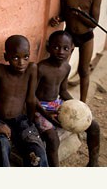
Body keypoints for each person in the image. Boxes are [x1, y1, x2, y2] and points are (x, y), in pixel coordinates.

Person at [0, 35, 48, 167]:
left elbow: (31, 99)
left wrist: (31, 123)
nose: (21, 63)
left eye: (26, 57)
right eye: (15, 58)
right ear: (6, 57)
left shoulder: (32, 69)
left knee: (37, 152)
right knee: (0, 148)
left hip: (21, 120)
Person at [35, 30, 100, 166]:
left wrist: (78, 106)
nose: (61, 52)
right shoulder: (41, 68)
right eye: (56, 47)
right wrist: (46, 115)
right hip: (40, 108)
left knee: (93, 125)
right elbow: (30, 96)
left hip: (56, 105)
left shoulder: (66, 67)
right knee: (53, 139)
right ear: (49, 47)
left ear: (71, 49)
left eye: (66, 48)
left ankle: (93, 164)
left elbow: (63, 91)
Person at [50, 0, 102, 103]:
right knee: (62, 67)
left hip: (86, 37)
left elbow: (94, 23)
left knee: (84, 70)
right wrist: (57, 19)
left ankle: (83, 103)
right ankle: (62, 96)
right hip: (69, 36)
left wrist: (80, 15)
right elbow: (64, 15)